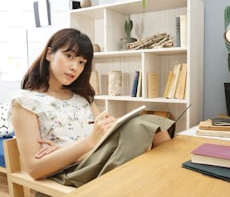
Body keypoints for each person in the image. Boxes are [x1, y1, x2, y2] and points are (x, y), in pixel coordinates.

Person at [8, 28, 171, 181]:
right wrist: (89, 142)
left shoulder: (82, 97)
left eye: (81, 62)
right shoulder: (25, 102)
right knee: (144, 127)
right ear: (49, 54)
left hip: (93, 157)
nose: (74, 67)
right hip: (73, 172)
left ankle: (169, 180)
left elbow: (100, 140)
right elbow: (34, 169)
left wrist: (100, 134)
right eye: (69, 56)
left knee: (153, 127)